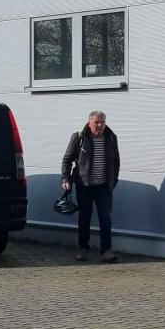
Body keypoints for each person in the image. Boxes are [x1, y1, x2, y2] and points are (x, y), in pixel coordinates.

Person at [62, 111, 120, 262]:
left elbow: (116, 162)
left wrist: (113, 181)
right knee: (84, 217)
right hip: (84, 186)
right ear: (89, 123)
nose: (100, 125)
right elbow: (67, 159)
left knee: (105, 218)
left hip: (104, 186)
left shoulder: (111, 138)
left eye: (102, 122)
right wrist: (66, 179)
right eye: (96, 122)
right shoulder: (79, 137)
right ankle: (83, 249)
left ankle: (106, 251)